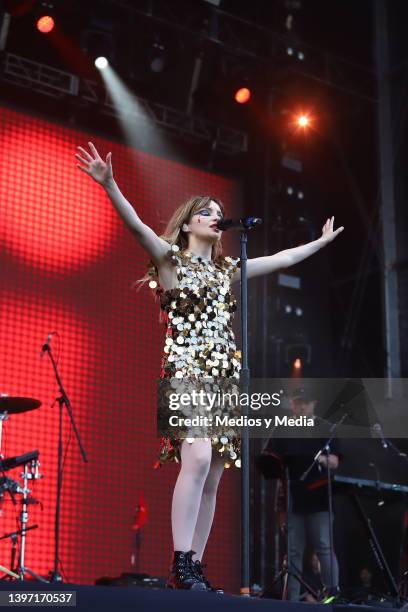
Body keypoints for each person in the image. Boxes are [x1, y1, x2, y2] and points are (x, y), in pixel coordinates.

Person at [75, 142, 344, 592]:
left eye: (220, 212)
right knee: (196, 455)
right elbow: (137, 226)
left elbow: (279, 260)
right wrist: (111, 185)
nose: (216, 216)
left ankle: (194, 567)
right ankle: (181, 560)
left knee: (214, 472)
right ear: (189, 223)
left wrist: (318, 242)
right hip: (184, 369)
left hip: (223, 378)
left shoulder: (227, 270)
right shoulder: (170, 260)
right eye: (208, 211)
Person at [265, 388, 341, 601]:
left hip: (319, 499)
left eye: (305, 403)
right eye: (298, 403)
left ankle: (332, 594)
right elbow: (268, 458)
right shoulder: (283, 429)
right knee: (294, 552)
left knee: (324, 546)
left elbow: (335, 461)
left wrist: (319, 460)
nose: (302, 407)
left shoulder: (325, 428)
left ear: (314, 404)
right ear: (292, 405)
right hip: (292, 498)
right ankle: (292, 599)